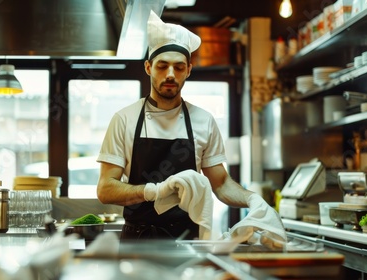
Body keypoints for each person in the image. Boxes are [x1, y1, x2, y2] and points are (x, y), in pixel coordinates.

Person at [96, 11, 284, 241]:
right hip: (137, 241)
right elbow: (105, 189)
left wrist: (252, 198)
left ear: (189, 70)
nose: (171, 75)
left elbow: (221, 184)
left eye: (179, 67)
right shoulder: (125, 119)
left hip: (188, 242)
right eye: (162, 66)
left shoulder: (203, 121)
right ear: (148, 67)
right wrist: (153, 191)